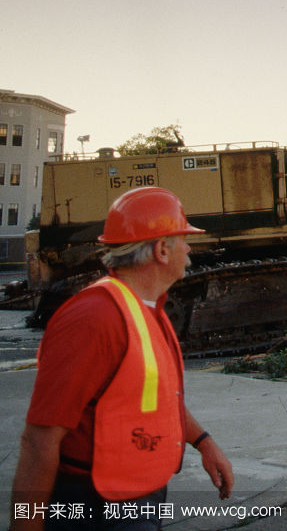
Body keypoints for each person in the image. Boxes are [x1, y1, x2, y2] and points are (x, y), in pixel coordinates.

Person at [10, 187, 234, 531]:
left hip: (138, 499)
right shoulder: (93, 318)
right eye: (183, 239)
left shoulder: (148, 309)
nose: (190, 249)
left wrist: (203, 442)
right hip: (95, 507)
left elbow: (157, 395)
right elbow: (39, 438)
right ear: (162, 249)